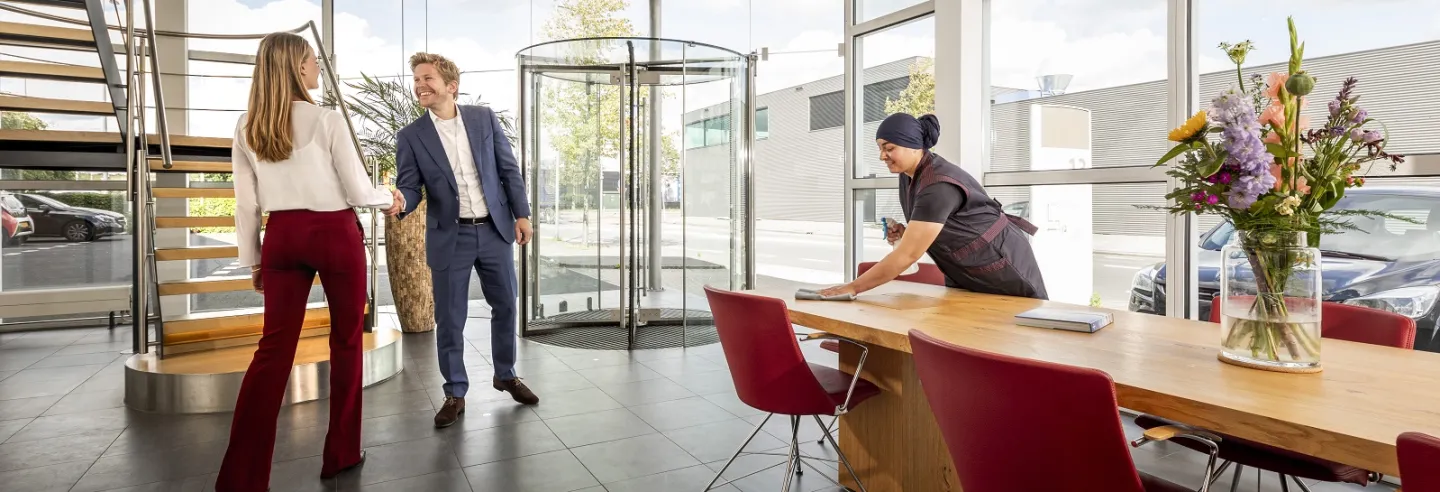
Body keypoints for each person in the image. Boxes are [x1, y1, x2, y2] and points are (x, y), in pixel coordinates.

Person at [216, 32, 401, 491]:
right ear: (299, 68)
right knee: (345, 342)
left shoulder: (246, 127)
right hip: (334, 234)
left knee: (272, 351)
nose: (319, 68)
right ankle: (340, 453)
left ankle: (241, 477)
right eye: (314, 61)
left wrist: (254, 259)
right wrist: (390, 197)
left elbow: (245, 206)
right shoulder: (328, 120)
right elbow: (359, 193)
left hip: (281, 237)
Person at [394, 52, 539, 429]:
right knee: (450, 317)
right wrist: (400, 202)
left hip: (494, 229)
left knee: (506, 304)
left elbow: (508, 169)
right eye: (417, 80)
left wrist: (522, 215)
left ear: (450, 86)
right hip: (450, 235)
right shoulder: (411, 136)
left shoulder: (482, 118)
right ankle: (455, 392)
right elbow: (410, 186)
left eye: (427, 79)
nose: (420, 85)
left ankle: (505, 374)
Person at [821, 113, 1048, 300]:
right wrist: (907, 232)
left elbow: (908, 255)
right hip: (965, 272)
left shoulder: (937, 184)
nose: (882, 156)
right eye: (880, 148)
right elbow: (937, 224)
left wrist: (851, 288)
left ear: (913, 146)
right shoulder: (908, 175)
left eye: (889, 148)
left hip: (1003, 267)